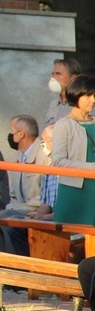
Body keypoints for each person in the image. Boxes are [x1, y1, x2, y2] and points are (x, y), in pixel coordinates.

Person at [0, 115, 47, 255]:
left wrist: (11, 210)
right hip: (19, 208)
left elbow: (45, 196)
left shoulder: (44, 155)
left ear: (21, 134)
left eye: (11, 131)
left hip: (37, 209)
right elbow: (13, 195)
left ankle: (16, 266)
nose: (10, 135)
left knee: (8, 219)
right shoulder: (17, 157)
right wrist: (9, 208)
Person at [52, 74, 95, 226]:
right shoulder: (64, 125)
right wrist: (91, 168)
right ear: (77, 94)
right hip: (75, 190)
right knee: (72, 242)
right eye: (88, 95)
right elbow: (58, 161)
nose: (93, 100)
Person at [46, 58, 80, 127]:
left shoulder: (82, 103)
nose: (54, 78)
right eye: (53, 74)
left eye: (58, 74)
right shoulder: (54, 104)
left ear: (73, 77)